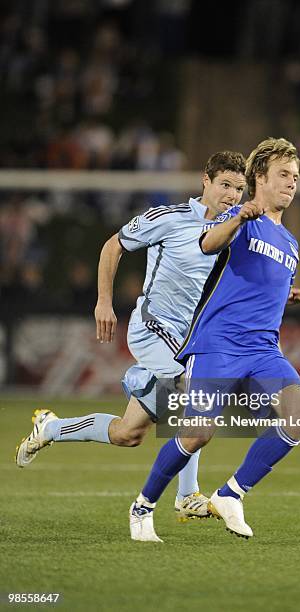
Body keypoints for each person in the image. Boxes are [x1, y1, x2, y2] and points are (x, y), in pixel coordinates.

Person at [15, 151, 247, 525]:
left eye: (239, 188)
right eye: (225, 185)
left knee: (129, 433)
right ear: (205, 180)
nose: (232, 194)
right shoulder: (169, 218)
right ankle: (187, 495)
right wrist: (103, 302)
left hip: (187, 336)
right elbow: (113, 246)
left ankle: (51, 427)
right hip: (153, 326)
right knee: (196, 387)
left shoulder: (231, 231)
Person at [130, 137, 300, 542]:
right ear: (260, 178)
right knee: (197, 434)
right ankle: (143, 506)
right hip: (218, 345)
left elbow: (263, 284)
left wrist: (287, 293)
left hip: (263, 349)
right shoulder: (239, 218)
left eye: (296, 177)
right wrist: (238, 218)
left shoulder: (291, 243)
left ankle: (232, 493)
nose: (291, 183)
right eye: (283, 174)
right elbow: (207, 243)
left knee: (297, 416)